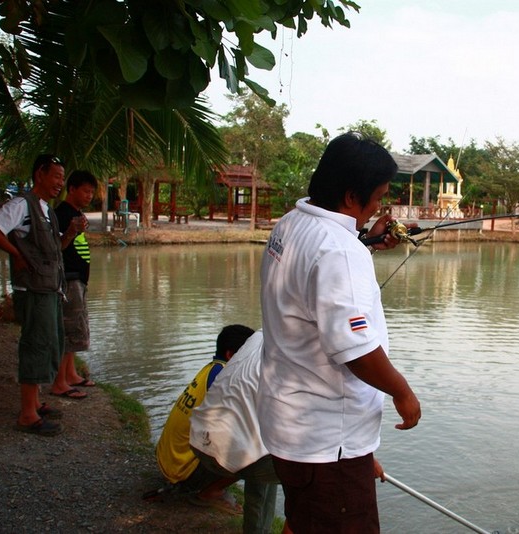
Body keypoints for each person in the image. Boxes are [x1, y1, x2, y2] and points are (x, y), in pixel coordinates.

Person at [256, 132, 422, 532]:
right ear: (351, 196)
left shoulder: (292, 223)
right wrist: (402, 391)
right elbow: (356, 350)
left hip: (291, 424)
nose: (380, 206)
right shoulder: (339, 251)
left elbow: (317, 278)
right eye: (378, 196)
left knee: (303, 520)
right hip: (327, 440)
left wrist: (362, 239)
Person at [0, 154, 73, 436]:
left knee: (49, 344)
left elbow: (54, 247)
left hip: (49, 288)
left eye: (62, 177)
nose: (60, 182)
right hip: (33, 290)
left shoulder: (47, 210)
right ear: (39, 175)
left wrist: (69, 234)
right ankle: (27, 415)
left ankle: (34, 403)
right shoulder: (22, 205)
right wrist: (15, 254)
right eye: (55, 176)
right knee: (35, 346)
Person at [190, 329, 283, 534]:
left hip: (198, 441)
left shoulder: (261, 333)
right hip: (221, 456)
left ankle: (259, 529)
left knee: (265, 444)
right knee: (313, 470)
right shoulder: (300, 351)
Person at [155, 324, 255, 513]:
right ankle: (209, 492)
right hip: (181, 471)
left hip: (166, 460)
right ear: (231, 355)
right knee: (256, 449)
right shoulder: (226, 377)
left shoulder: (212, 369)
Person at [49, 170, 98, 399]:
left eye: (92, 192)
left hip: (78, 279)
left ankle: (70, 374)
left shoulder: (76, 214)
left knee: (75, 330)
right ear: (73, 189)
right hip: (68, 279)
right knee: (67, 331)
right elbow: (56, 247)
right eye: (86, 191)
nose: (90, 196)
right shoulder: (61, 214)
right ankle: (59, 382)